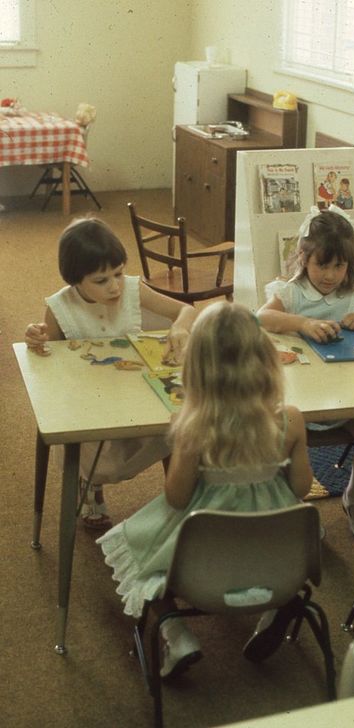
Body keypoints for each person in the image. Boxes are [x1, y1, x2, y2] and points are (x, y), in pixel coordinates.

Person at [97, 301, 313, 679]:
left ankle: (177, 634)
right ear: (266, 359)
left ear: (196, 367)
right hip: (275, 549)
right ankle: (279, 603)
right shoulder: (290, 420)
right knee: (280, 541)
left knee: (144, 562)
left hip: (203, 561)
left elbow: (176, 497)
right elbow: (301, 488)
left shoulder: (190, 427)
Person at [25, 217, 197, 530]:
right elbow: (45, 356)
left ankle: (180, 489)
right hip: (91, 404)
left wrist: (182, 327)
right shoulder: (60, 306)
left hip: (138, 394)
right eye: (102, 280)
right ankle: (90, 484)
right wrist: (35, 338)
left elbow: (186, 310)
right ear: (76, 280)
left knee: (179, 425)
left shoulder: (132, 289)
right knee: (94, 455)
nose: (115, 285)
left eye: (118, 273)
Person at [257, 204, 354, 541]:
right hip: (299, 405)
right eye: (321, 265)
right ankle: (294, 503)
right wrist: (303, 323)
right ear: (303, 257)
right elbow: (261, 318)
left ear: (350, 265)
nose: (330, 275)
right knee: (278, 433)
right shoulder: (292, 293)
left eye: (339, 266)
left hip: (347, 403)